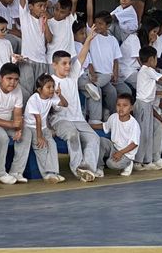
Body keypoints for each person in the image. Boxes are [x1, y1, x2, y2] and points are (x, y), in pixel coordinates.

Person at [49, 39, 101, 182]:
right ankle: (78, 169)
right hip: (60, 120)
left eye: (69, 63)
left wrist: (88, 39)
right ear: (54, 65)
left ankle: (87, 168)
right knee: (73, 134)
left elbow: (82, 55)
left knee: (94, 138)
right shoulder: (49, 82)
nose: (68, 66)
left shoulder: (72, 76)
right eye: (64, 63)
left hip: (79, 119)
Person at [23, 74, 67, 183]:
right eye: (48, 87)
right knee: (41, 147)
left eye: (53, 86)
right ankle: (46, 175)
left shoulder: (51, 97)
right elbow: (38, 119)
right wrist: (39, 137)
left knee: (52, 145)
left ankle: (53, 173)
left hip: (43, 127)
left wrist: (60, 95)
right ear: (39, 89)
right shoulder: (34, 99)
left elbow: (65, 104)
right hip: (32, 127)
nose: (52, 89)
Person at [93, 93, 139, 177]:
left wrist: (120, 153)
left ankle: (128, 163)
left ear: (131, 108)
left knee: (110, 164)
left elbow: (134, 144)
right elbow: (104, 126)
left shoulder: (134, 124)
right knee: (101, 141)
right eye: (118, 105)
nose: (121, 108)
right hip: (114, 148)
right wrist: (88, 126)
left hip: (126, 153)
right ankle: (99, 169)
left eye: (125, 105)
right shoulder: (113, 117)